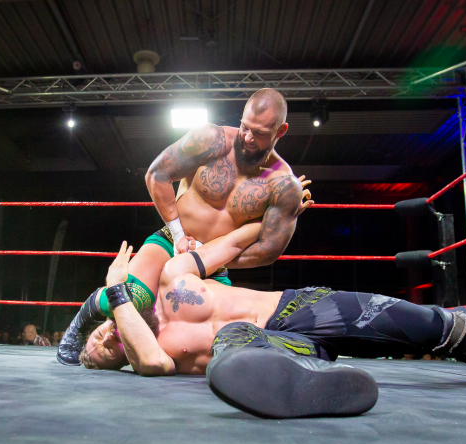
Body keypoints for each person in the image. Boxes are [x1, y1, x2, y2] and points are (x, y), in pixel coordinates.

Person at [74, 235, 466, 418]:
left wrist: (280, 208)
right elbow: (150, 361)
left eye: (98, 331)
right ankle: (306, 383)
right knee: (233, 350)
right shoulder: (152, 352)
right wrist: (116, 294)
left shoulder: (175, 272)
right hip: (266, 345)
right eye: (101, 348)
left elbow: (235, 242)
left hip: (299, 306)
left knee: (432, 322)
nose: (105, 338)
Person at [57, 88, 312, 364]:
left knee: (201, 342)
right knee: (131, 300)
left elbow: (268, 250)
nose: (248, 138)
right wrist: (180, 236)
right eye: (244, 127)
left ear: (280, 131)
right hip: (170, 240)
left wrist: (206, 256)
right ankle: (86, 313)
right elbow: (156, 175)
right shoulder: (211, 140)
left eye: (259, 133)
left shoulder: (283, 185)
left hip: (214, 264)